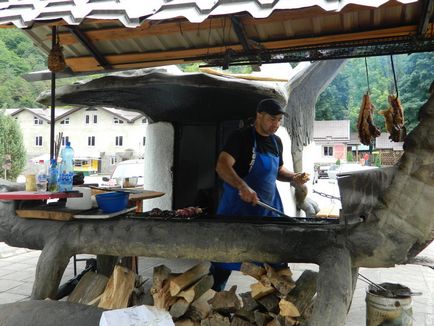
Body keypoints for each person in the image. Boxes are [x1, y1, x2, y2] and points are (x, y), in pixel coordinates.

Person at [211, 98, 309, 291]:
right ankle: (212, 298)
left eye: (279, 120)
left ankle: (282, 306)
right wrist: (242, 186)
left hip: (267, 210)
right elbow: (222, 166)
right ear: (259, 115)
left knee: (276, 261)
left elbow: (278, 171)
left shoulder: (276, 142)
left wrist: (294, 177)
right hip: (237, 211)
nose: (276, 124)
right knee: (224, 259)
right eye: (272, 119)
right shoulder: (241, 137)